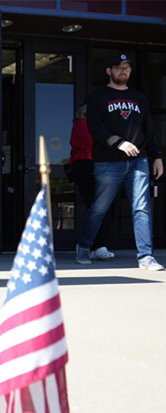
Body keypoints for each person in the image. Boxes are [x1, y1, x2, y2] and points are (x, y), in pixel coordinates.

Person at [76, 53, 164, 270]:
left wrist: (158, 156)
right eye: (118, 68)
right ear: (109, 71)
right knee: (99, 208)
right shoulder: (97, 97)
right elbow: (95, 128)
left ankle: (145, 257)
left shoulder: (139, 98)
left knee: (142, 208)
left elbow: (149, 130)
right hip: (108, 161)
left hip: (139, 161)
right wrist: (118, 143)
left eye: (126, 68)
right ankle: (84, 246)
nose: (123, 71)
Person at [69, 104, 116, 260]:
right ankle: (93, 245)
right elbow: (93, 144)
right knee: (98, 207)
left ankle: (97, 245)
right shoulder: (82, 124)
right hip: (87, 167)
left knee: (104, 207)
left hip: (100, 166)